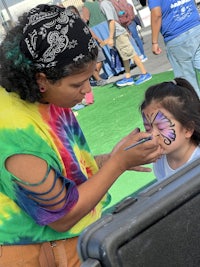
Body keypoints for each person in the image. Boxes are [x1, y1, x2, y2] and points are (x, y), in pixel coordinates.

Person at [0, 4, 162, 266]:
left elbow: (62, 168)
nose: (87, 91)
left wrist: (108, 158)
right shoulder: (15, 135)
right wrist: (118, 164)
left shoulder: (43, 94)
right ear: (42, 79)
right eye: (77, 84)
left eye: (88, 79)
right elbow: (63, 216)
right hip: (40, 252)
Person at [140, 77, 200, 181]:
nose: (152, 135)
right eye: (148, 128)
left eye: (161, 127)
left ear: (188, 129)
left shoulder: (197, 162)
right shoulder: (159, 162)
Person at [148, 0, 200, 98]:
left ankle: (196, 108)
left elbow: (156, 14)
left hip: (176, 36)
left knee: (188, 83)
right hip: (195, 27)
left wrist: (154, 42)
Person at [100, 0, 152, 87]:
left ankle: (144, 73)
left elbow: (111, 21)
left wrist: (110, 37)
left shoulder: (104, 3)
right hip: (118, 33)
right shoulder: (106, 3)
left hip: (118, 34)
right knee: (125, 55)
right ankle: (128, 76)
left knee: (131, 53)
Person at [67, 4, 107, 86]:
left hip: (92, 42)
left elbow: (89, 30)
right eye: (71, 13)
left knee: (100, 59)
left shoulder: (81, 20)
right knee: (89, 63)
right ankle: (98, 79)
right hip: (82, 47)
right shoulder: (68, 25)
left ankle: (92, 76)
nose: (74, 15)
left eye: (74, 12)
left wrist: (97, 39)